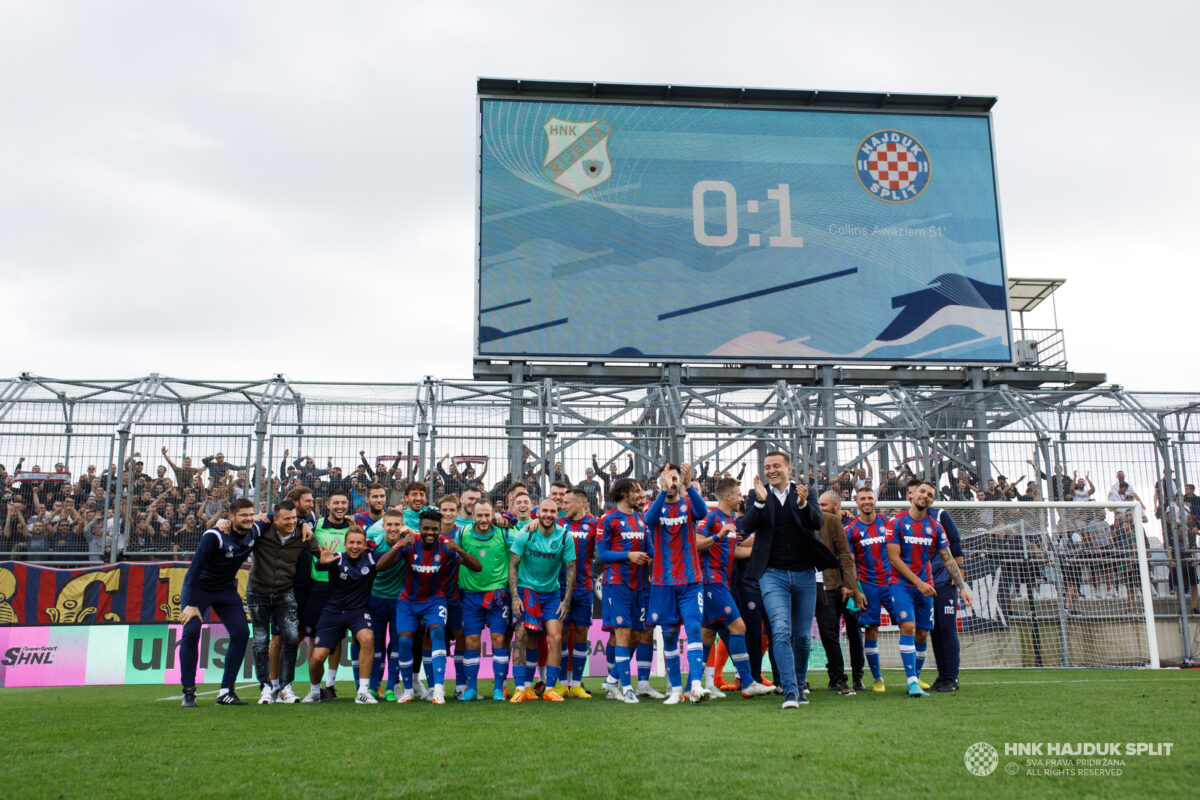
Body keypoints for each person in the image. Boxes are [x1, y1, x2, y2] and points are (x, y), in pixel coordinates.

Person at [741, 451, 837, 709]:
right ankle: (791, 692)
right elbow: (744, 527)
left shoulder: (805, 492)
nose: (771, 470)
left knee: (803, 638)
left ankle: (799, 683)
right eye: (767, 466)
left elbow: (817, 522)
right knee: (781, 630)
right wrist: (760, 502)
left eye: (776, 466)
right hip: (771, 574)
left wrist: (805, 504)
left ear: (789, 470)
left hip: (805, 573)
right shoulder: (756, 495)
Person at [886, 480, 974, 697]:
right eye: (921, 492)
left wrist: (962, 586)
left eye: (930, 494)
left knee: (935, 630)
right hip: (907, 584)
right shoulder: (896, 522)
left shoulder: (937, 522)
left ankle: (949, 677)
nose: (924, 496)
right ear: (912, 495)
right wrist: (919, 583)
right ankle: (915, 680)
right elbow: (893, 558)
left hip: (937, 584)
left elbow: (950, 554)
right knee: (911, 627)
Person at [304, 524, 405, 704]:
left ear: (365, 544)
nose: (355, 546)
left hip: (358, 612)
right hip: (332, 612)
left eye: (359, 543)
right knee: (318, 657)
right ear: (345, 543)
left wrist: (402, 543)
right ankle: (314, 691)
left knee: (367, 638)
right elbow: (320, 566)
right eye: (351, 543)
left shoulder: (372, 559)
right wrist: (322, 562)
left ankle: (363, 691)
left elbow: (393, 556)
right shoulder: (336, 559)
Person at [393, 510, 482, 704]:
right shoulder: (410, 544)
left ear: (440, 529)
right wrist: (398, 546)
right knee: (406, 642)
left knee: (438, 633)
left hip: (435, 599)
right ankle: (408, 690)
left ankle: (438, 690)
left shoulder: (446, 547)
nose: (430, 532)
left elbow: (477, 567)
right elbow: (380, 566)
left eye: (434, 529)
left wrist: (458, 550)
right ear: (420, 528)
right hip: (408, 600)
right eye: (426, 528)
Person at [696, 477, 773, 699]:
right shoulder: (711, 518)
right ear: (728, 496)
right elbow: (696, 544)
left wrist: (759, 549)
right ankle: (748, 682)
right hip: (712, 582)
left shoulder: (728, 519)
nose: (742, 498)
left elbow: (735, 553)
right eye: (739, 494)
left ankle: (701, 684)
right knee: (739, 627)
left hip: (721, 582)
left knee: (708, 635)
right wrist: (718, 535)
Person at [178, 498, 257, 708]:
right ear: (231, 518)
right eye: (243, 515)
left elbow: (269, 518)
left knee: (241, 633)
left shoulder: (254, 532)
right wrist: (192, 603)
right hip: (198, 589)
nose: (249, 519)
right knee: (191, 631)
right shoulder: (214, 536)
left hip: (225, 590)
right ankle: (188, 691)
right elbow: (194, 571)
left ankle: (226, 691)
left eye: (251, 515)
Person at [644, 462, 710, 704]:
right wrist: (663, 492)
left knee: (693, 629)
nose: (671, 482)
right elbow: (650, 520)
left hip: (691, 579)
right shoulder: (655, 506)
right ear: (661, 480)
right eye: (667, 478)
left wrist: (689, 486)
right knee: (669, 636)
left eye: (675, 478)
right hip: (663, 582)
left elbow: (703, 513)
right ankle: (675, 690)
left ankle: (695, 685)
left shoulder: (688, 503)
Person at [241, 499, 318, 704]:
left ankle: (286, 687)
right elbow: (240, 527)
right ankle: (266, 687)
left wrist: (330, 557)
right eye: (287, 519)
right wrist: (224, 521)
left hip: (285, 592)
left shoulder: (302, 533)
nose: (292, 521)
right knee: (260, 641)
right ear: (275, 520)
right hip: (258, 592)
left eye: (294, 518)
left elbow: (320, 553)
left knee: (292, 638)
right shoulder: (261, 531)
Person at [508, 498, 575, 703]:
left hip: (551, 593)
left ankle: (549, 688)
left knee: (555, 637)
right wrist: (515, 597)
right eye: (544, 511)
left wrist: (566, 601)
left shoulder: (565, 537)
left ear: (558, 514)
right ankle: (521, 688)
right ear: (538, 513)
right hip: (527, 590)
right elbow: (513, 565)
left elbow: (571, 569)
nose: (548, 515)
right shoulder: (526, 533)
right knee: (522, 635)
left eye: (552, 511)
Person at [597, 477, 654, 704]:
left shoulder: (642, 519)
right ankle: (627, 688)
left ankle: (612, 679)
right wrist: (628, 555)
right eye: (636, 490)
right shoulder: (608, 520)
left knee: (638, 634)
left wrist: (656, 556)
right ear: (623, 493)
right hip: (618, 583)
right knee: (622, 633)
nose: (640, 494)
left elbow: (649, 549)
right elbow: (602, 555)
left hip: (640, 584)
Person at [457, 498, 515, 701]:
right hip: (470, 596)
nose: (483, 519)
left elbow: (522, 547)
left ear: (493, 515)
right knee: (471, 641)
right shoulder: (462, 533)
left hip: (497, 596)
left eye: (487, 515)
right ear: (473, 515)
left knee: (499, 640)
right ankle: (471, 688)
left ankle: (498, 688)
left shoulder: (504, 532)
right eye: (479, 515)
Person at [815, 491, 867, 695]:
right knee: (829, 633)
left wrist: (851, 586)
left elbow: (847, 556)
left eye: (823, 504)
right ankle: (836, 677)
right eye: (817, 504)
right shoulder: (812, 520)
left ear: (836, 506)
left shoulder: (838, 522)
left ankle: (857, 677)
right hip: (824, 586)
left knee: (854, 633)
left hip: (845, 586)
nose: (819, 508)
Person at [845, 485, 895, 692]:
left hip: (892, 584)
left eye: (870, 498)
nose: (866, 502)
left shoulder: (889, 524)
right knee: (871, 629)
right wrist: (857, 591)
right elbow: (850, 562)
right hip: (868, 586)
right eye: (862, 498)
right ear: (857, 502)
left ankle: (914, 677)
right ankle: (877, 679)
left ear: (875, 501)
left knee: (909, 626)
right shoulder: (851, 530)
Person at [556, 488, 600, 698]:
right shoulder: (558, 524)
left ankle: (577, 684)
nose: (563, 506)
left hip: (583, 588)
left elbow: (600, 553)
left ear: (580, 504)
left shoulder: (594, 524)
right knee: (562, 634)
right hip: (560, 588)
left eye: (567, 502)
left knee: (581, 632)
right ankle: (563, 683)